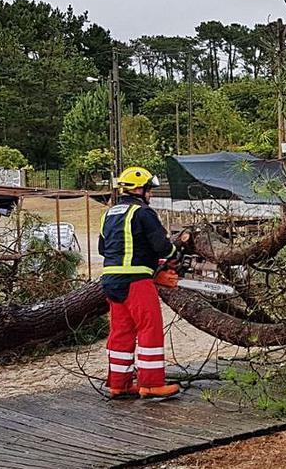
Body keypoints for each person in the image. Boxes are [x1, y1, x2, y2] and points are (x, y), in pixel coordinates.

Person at [99, 166, 180, 399]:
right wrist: (175, 256)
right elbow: (162, 246)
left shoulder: (109, 213)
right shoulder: (143, 213)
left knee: (121, 331)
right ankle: (152, 384)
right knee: (149, 327)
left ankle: (119, 384)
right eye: (149, 189)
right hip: (136, 280)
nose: (151, 194)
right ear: (138, 189)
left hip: (111, 281)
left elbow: (103, 248)